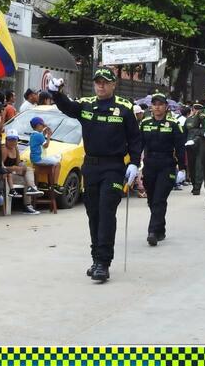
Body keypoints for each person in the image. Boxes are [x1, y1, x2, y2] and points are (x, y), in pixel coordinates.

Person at [48, 67, 141, 283]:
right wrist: (56, 93)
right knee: (93, 213)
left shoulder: (124, 108)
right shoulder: (87, 104)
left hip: (114, 167)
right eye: (98, 82)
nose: (101, 86)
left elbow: (135, 139)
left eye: (105, 82)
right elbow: (68, 108)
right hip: (91, 166)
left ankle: (103, 262)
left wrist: (135, 163)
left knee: (106, 211)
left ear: (113, 85)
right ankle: (96, 258)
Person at [139, 92, 186, 246]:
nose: (157, 107)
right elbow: (138, 145)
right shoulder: (145, 123)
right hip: (150, 164)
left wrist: (182, 169)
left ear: (166, 107)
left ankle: (152, 231)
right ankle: (160, 228)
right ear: (151, 107)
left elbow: (180, 148)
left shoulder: (173, 125)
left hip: (167, 165)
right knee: (152, 199)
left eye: (160, 104)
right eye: (154, 104)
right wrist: (134, 163)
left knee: (159, 198)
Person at [2, 128, 42, 214]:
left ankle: (31, 189)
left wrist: (21, 166)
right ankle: (27, 204)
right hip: (6, 175)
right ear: (6, 140)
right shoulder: (4, 150)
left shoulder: (15, 148)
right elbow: (0, 166)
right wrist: (12, 168)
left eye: (14, 139)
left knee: (28, 169)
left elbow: (18, 163)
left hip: (14, 173)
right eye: (10, 139)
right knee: (27, 180)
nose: (12, 142)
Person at [29, 116, 62, 193]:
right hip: (39, 159)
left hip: (34, 158)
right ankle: (54, 185)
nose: (43, 127)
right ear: (38, 125)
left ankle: (47, 184)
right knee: (58, 164)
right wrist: (49, 136)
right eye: (42, 125)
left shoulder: (33, 134)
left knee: (53, 162)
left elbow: (40, 140)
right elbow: (46, 145)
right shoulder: (39, 135)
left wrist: (44, 133)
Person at [185, 101, 205, 192]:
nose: (197, 111)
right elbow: (185, 132)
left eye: (199, 110)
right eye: (195, 109)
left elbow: (203, 132)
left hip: (200, 145)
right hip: (189, 146)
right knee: (191, 166)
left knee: (198, 166)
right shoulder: (188, 119)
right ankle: (194, 184)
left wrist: (195, 140)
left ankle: (197, 186)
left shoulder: (204, 119)